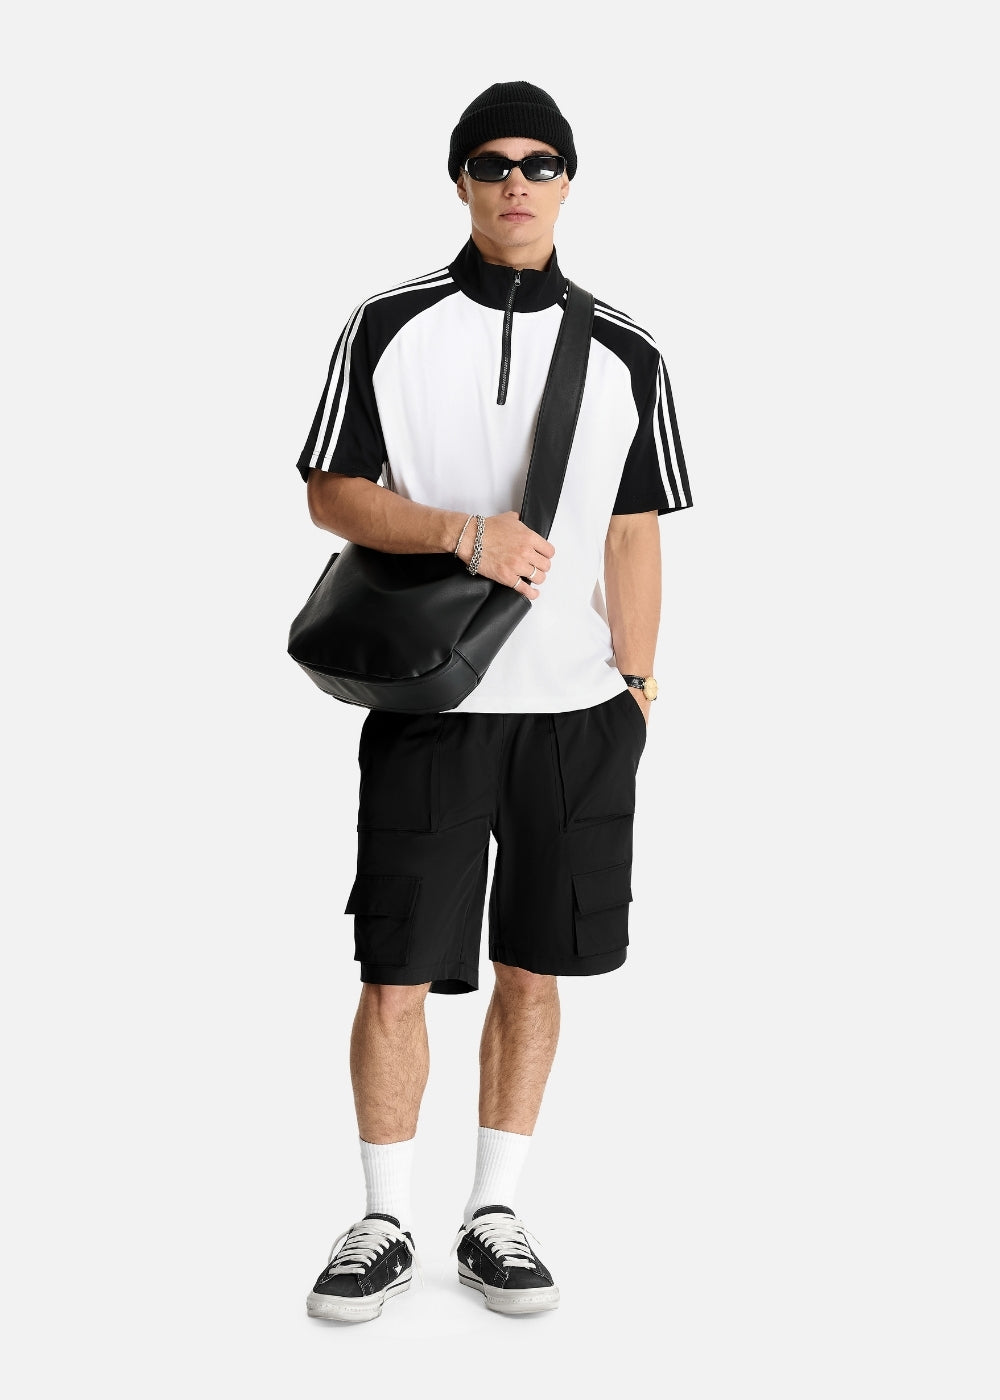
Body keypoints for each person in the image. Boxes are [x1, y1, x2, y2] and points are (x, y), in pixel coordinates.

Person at [293, 80, 692, 1323]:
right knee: (395, 970)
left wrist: (636, 683)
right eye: (491, 161)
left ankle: (494, 1212)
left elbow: (633, 529)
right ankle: (380, 1218)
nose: (516, 181)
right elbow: (330, 491)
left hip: (578, 714)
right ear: (460, 180)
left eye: (539, 162)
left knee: (534, 965)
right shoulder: (389, 323)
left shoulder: (628, 349)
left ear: (568, 181)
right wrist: (465, 532)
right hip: (433, 696)